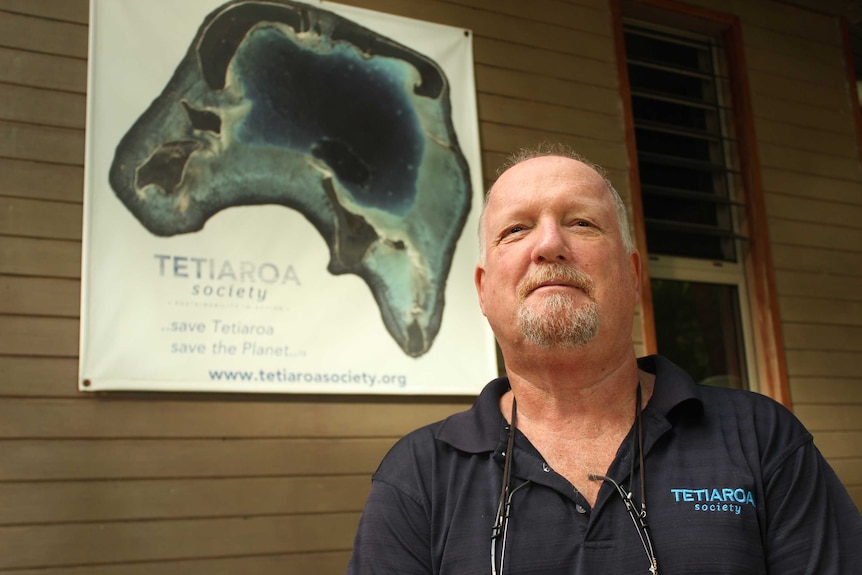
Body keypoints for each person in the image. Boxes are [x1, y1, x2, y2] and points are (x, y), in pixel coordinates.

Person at [346, 145, 862, 574]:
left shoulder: (761, 438)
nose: (549, 245)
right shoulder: (417, 475)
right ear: (484, 291)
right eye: (516, 230)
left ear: (633, 275)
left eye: (582, 223)